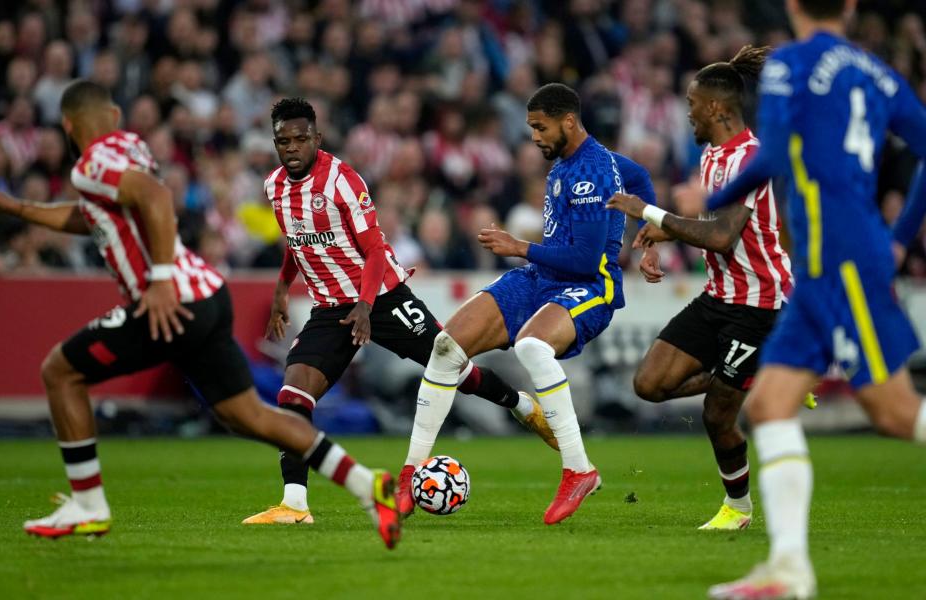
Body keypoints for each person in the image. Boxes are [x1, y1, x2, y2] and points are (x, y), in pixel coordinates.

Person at [0, 81, 401, 549]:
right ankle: (367, 485)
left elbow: (153, 198)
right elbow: (95, 215)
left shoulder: (91, 164)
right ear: (114, 116)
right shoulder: (129, 148)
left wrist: (156, 279)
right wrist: (18, 208)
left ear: (68, 125)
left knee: (59, 370)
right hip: (208, 294)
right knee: (248, 416)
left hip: (169, 301)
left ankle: (88, 505)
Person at [669, 1, 926, 597]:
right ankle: (788, 570)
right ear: (853, 6)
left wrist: (706, 197)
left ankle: (788, 567)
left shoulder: (790, 66)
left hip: (839, 255)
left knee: (892, 412)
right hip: (821, 264)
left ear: (792, 7)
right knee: (771, 405)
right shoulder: (875, 71)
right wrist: (897, 239)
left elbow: (774, 154)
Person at [242, 97, 559, 526]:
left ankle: (522, 406)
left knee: (456, 370)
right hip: (329, 308)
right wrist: (282, 289)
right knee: (292, 397)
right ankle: (295, 505)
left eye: (301, 139)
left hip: (384, 297)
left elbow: (373, 250)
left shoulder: (342, 181)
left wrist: (366, 307)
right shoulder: (274, 187)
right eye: (284, 141)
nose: (293, 147)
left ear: (317, 138)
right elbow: (297, 241)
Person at [395, 83, 655, 525]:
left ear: (568, 122)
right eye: (531, 127)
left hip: (591, 285)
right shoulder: (591, 161)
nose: (534, 136)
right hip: (541, 278)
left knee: (532, 347)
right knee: (445, 349)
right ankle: (410, 472)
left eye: (540, 127)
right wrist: (650, 235)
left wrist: (519, 246)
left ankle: (579, 469)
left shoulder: (592, 171)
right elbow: (642, 180)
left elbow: (585, 260)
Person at [607, 46, 808, 531]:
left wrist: (648, 213)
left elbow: (722, 235)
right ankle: (751, 373)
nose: (689, 113)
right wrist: (662, 232)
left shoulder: (749, 158)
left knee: (718, 412)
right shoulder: (711, 154)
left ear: (717, 108)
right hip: (720, 296)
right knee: (649, 384)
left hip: (760, 302)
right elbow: (710, 225)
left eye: (693, 104)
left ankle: (737, 510)